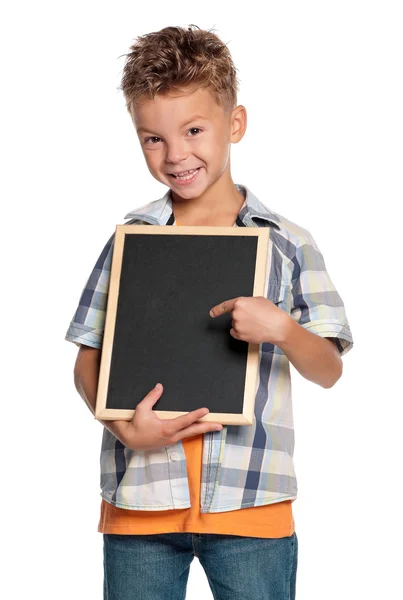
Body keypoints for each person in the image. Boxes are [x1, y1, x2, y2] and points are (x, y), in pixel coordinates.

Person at [65, 25, 353, 600]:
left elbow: (328, 368)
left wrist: (283, 330)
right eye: (152, 138)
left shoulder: (287, 242)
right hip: (141, 502)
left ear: (235, 124)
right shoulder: (132, 238)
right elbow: (87, 360)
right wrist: (124, 427)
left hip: (251, 506)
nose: (175, 156)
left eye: (194, 130)